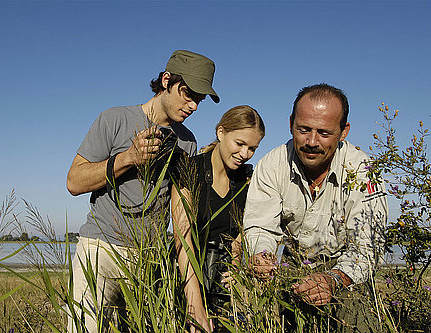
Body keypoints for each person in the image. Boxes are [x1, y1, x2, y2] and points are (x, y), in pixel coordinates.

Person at [66, 50, 219, 332]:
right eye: (188, 94)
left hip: (149, 259)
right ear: (166, 80)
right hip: (99, 251)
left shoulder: (187, 142)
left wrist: (195, 304)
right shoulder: (114, 119)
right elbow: (74, 181)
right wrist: (128, 158)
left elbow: (182, 221)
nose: (193, 106)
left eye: (199, 99)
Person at [243, 83, 388, 331]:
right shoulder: (272, 165)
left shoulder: (363, 172)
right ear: (291, 123)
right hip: (293, 269)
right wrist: (263, 256)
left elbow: (368, 247)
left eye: (324, 133)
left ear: (344, 132)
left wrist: (333, 280)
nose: (311, 141)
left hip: (346, 274)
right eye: (303, 129)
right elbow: (260, 227)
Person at [172, 105, 265, 332]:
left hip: (222, 286)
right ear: (221, 133)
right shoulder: (188, 169)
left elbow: (237, 238)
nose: (245, 154)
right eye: (240, 144)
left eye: (252, 148)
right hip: (186, 281)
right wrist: (194, 304)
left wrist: (234, 276)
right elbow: (182, 240)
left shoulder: (246, 179)